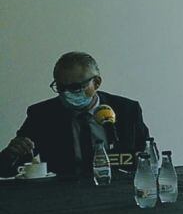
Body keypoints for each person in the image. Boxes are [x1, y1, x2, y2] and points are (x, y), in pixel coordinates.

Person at [0, 52, 150, 177]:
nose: (67, 93)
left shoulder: (126, 110)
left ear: (96, 83)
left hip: (116, 192)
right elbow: (6, 170)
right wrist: (11, 154)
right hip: (65, 197)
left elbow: (147, 158)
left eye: (75, 87)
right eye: (60, 87)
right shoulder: (42, 115)